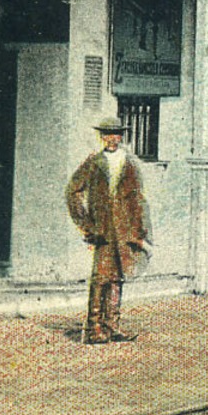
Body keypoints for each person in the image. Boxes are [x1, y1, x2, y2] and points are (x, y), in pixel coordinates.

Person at [65, 116, 152, 344]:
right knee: (100, 277)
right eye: (107, 134)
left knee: (117, 277)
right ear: (101, 137)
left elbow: (138, 199)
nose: (111, 138)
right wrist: (86, 225)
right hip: (102, 230)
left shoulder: (130, 164)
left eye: (115, 134)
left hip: (124, 231)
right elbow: (73, 191)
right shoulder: (94, 162)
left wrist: (139, 231)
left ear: (121, 136)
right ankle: (93, 329)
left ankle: (112, 327)